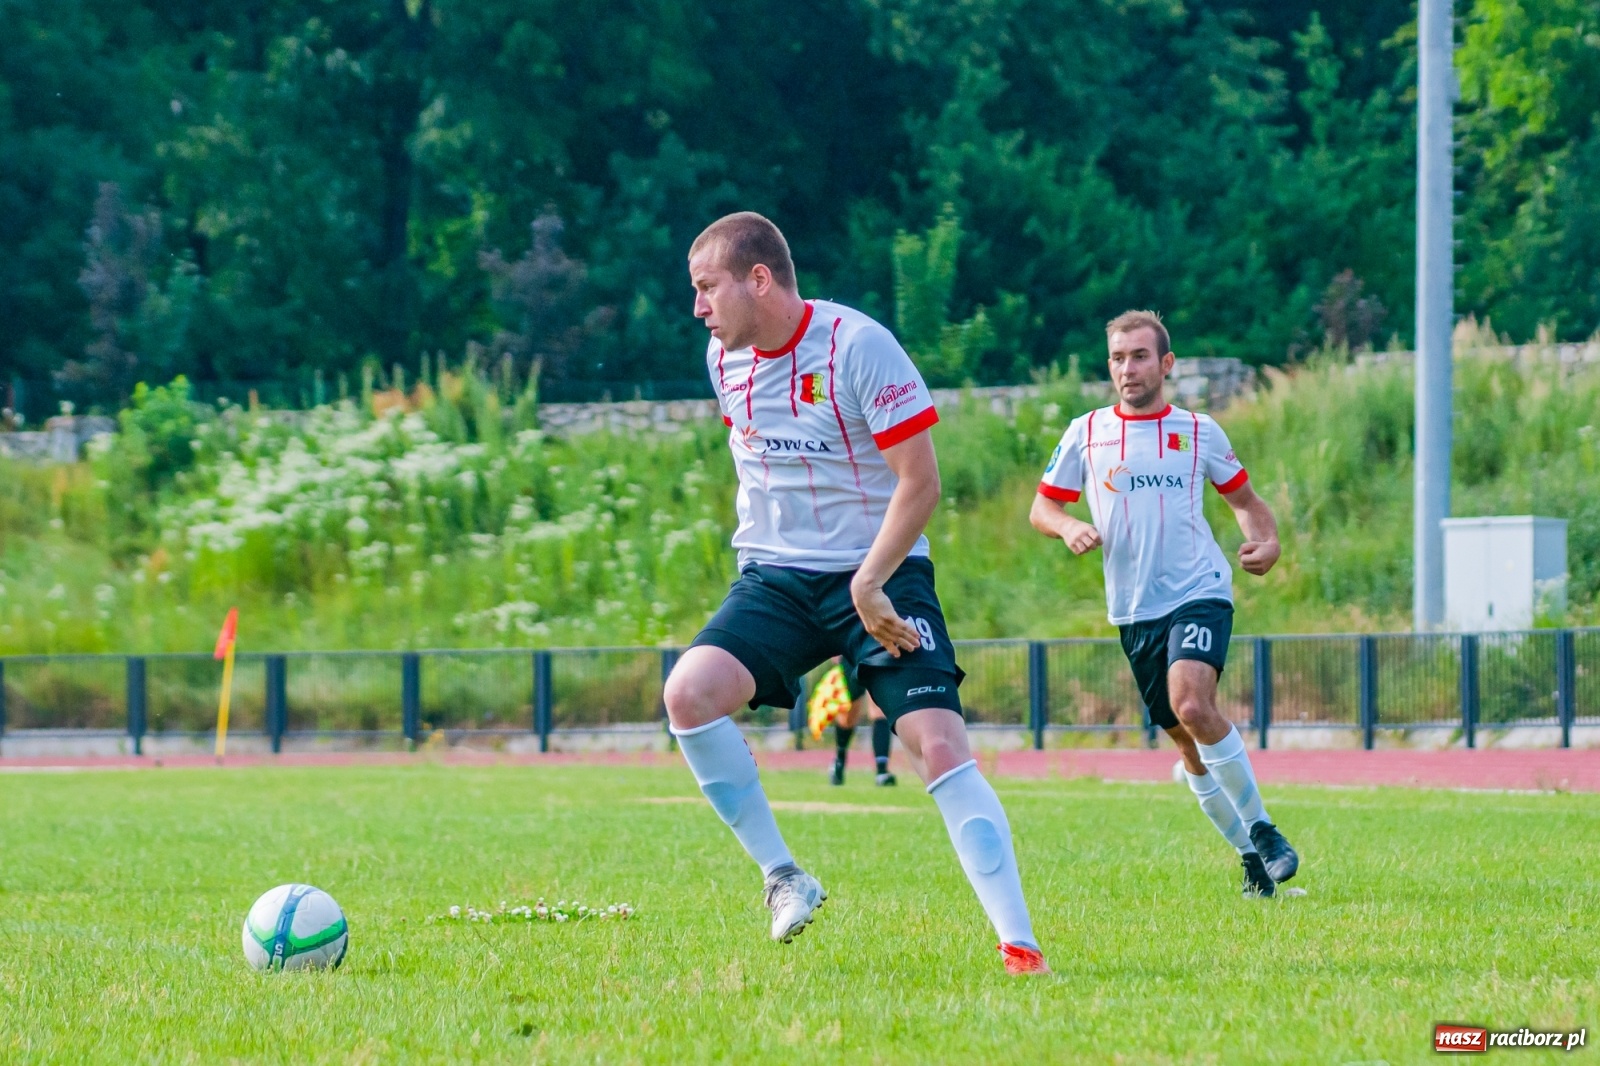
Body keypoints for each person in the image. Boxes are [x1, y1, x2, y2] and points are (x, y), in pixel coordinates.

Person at [665, 211, 1047, 973]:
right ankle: (783, 877)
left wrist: (869, 580)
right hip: (776, 578)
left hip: (881, 570)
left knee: (936, 745)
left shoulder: (859, 346)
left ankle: (1020, 944)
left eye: (708, 288)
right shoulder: (722, 359)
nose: (699, 307)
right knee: (687, 694)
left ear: (760, 279)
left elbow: (922, 482)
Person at [1028, 310, 1300, 898]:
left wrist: (1270, 540)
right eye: (1118, 358)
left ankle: (1265, 829)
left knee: (1193, 704)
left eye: (1140, 357)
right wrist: (1066, 525)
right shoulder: (1087, 431)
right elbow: (1042, 508)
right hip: (1133, 611)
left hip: (1199, 591)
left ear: (1166, 364)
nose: (1128, 369)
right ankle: (1252, 862)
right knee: (1185, 742)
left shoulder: (1200, 431)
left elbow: (1245, 500)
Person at [806, 659, 897, 786]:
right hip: (853, 650)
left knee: (879, 710)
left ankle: (882, 771)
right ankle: (839, 760)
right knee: (849, 715)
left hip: (877, 650)